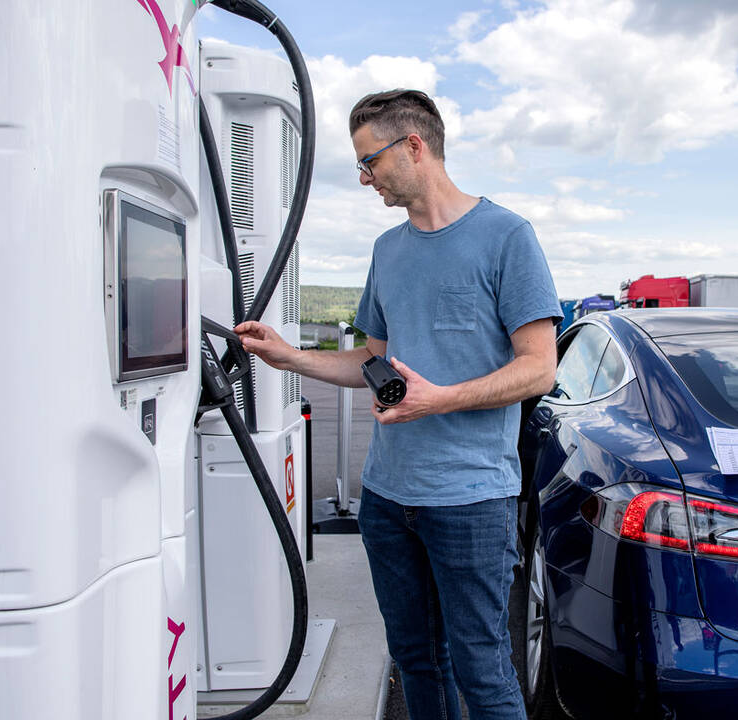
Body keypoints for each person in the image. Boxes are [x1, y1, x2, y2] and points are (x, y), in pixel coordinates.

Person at [235, 88, 560, 719]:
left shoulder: (506, 236)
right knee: (415, 661)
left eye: (369, 160)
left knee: (483, 671)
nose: (363, 178)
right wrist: (289, 356)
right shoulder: (388, 250)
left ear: (415, 146)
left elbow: (538, 369)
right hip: (386, 498)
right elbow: (373, 362)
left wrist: (440, 400)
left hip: (471, 499)